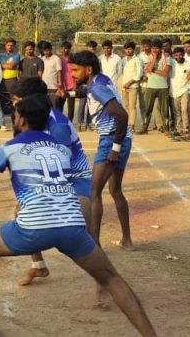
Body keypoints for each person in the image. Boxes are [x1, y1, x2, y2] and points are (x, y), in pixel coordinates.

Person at [0, 95, 157, 337]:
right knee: (112, 278)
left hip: (34, 227)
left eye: (15, 116)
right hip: (72, 225)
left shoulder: (8, 148)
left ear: (22, 120)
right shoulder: (61, 148)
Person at [9, 78, 94, 286]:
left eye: (18, 100)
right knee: (21, 210)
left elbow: (61, 163)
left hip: (75, 180)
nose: (14, 105)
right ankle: (39, 267)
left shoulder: (58, 125)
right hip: (53, 177)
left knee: (84, 231)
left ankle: (103, 279)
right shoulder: (29, 117)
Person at [69, 51, 135, 253]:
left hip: (112, 139)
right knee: (115, 191)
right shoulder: (100, 79)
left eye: (75, 70)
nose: (72, 74)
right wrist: (69, 93)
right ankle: (127, 240)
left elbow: (121, 115)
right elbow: (86, 91)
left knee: (93, 192)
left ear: (88, 70)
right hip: (124, 138)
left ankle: (94, 245)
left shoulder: (96, 87)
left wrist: (115, 148)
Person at [139, 40, 170, 135]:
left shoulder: (167, 58)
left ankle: (166, 129)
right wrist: (154, 58)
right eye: (153, 48)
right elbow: (148, 69)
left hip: (163, 87)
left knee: (164, 110)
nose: (154, 50)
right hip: (151, 86)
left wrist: (154, 70)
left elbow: (165, 73)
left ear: (160, 49)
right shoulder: (149, 57)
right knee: (148, 109)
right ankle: (144, 128)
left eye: (156, 48)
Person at [168, 46, 190, 139]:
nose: (178, 57)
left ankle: (186, 129)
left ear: (183, 54)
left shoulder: (188, 64)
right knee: (176, 111)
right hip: (173, 91)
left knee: (184, 110)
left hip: (185, 89)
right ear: (174, 55)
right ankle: (178, 129)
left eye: (180, 55)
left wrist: (189, 88)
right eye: (176, 55)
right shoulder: (172, 63)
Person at [0, 39, 21, 126]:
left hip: (12, 81)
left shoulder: (17, 56)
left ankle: (15, 122)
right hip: (1, 81)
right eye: (8, 45)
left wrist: (2, 65)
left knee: (14, 101)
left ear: (14, 46)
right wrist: (6, 65)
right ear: (5, 46)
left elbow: (11, 66)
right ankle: (0, 123)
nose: (10, 47)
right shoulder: (0, 56)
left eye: (11, 45)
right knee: (0, 101)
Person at [120, 41, 143, 129]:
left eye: (130, 49)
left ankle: (132, 125)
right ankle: (127, 124)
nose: (128, 51)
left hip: (133, 86)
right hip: (124, 87)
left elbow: (139, 74)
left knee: (132, 106)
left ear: (133, 49)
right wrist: (124, 84)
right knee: (126, 106)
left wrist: (129, 83)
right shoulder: (123, 60)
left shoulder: (137, 60)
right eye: (126, 49)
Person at [39, 41, 64, 108]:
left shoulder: (56, 59)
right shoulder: (42, 59)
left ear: (51, 49)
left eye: (47, 50)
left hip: (54, 87)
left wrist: (59, 85)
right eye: (44, 51)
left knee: (54, 106)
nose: (46, 53)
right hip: (44, 87)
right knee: (44, 106)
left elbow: (59, 72)